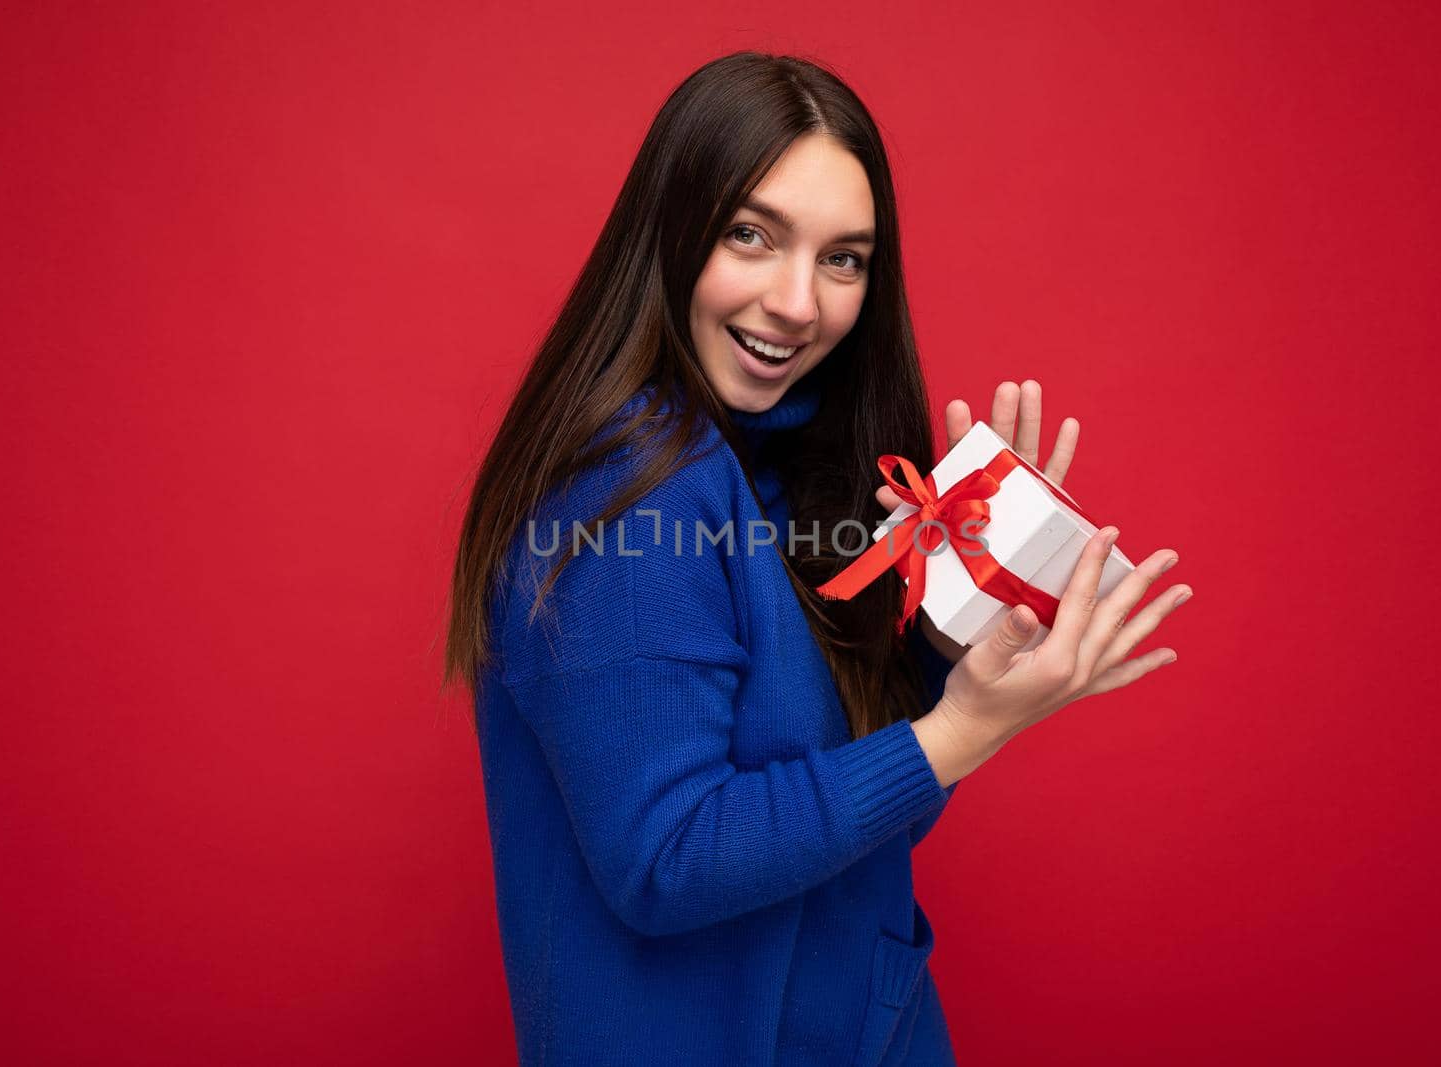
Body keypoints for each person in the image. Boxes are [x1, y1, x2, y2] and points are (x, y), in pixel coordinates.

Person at [441, 50, 1191, 1067]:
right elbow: (665, 859)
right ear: (668, 231)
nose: (801, 302)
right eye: (751, 235)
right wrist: (960, 732)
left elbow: (845, 821)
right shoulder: (627, 494)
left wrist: (960, 621)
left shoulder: (782, 466)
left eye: (844, 258)